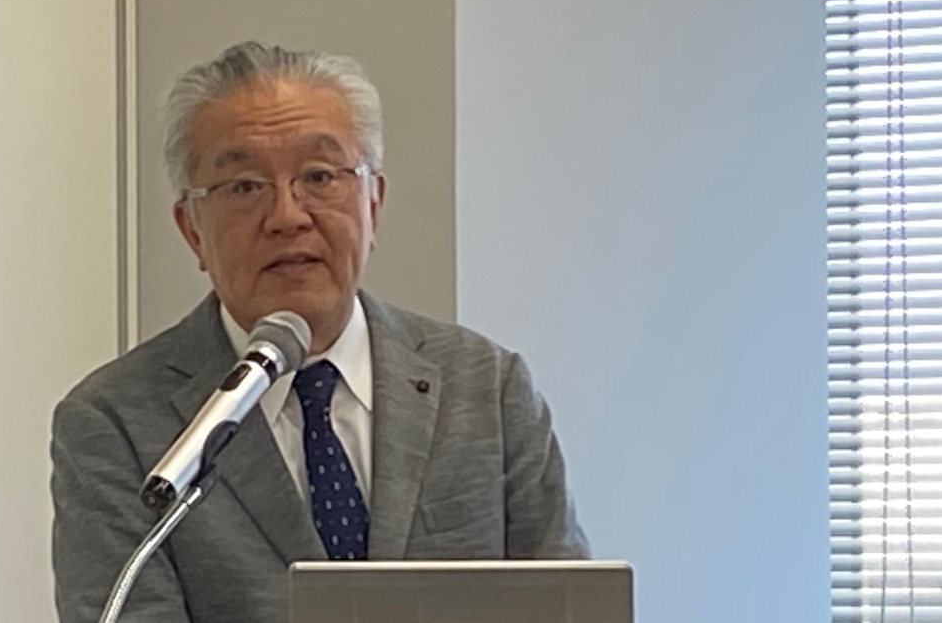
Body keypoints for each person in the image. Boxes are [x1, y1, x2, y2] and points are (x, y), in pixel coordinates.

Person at [50, 41, 588, 623]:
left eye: (320, 176)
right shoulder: (117, 423)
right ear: (192, 229)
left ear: (372, 204)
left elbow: (570, 607)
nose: (287, 216)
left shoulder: (487, 390)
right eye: (245, 186)